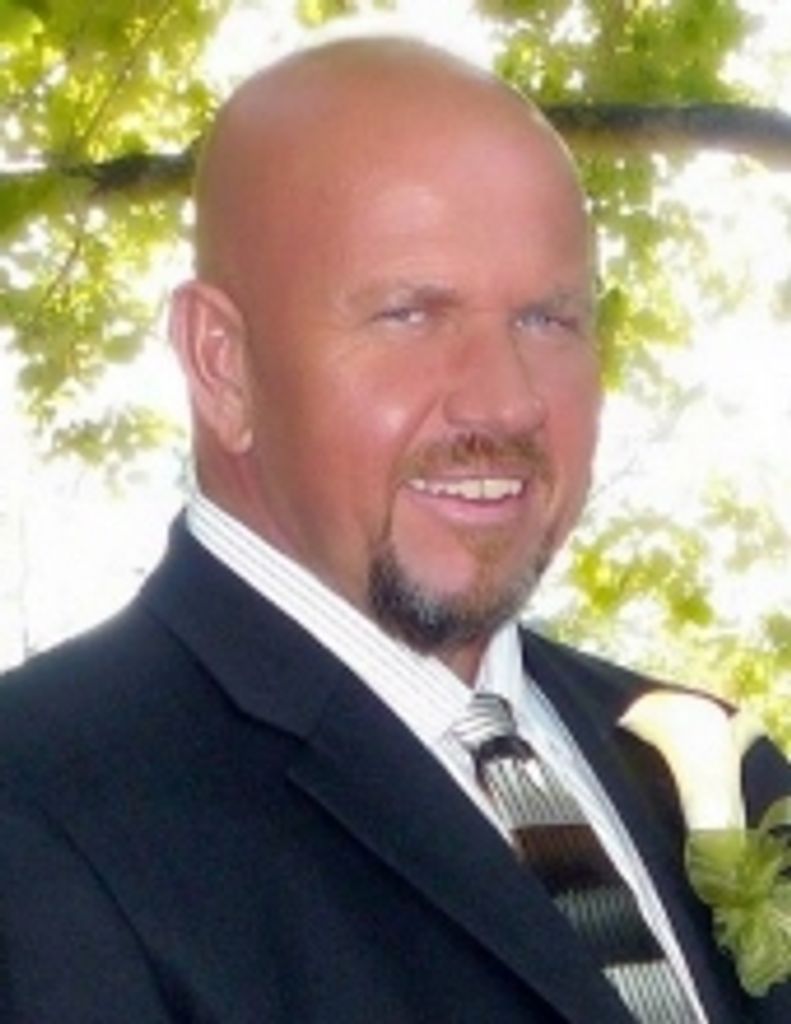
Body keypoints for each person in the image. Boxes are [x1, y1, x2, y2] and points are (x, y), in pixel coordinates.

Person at [0, 35, 787, 1024]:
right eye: (410, 314)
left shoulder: (699, 765)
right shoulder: (39, 810)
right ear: (221, 364)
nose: (504, 401)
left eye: (548, 319)